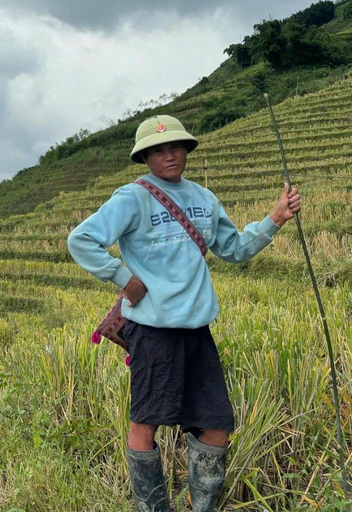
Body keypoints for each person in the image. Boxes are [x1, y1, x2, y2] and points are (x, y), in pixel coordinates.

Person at [66, 115, 301, 512]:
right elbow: (81, 239)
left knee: (217, 424)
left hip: (196, 330)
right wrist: (124, 278)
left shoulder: (203, 198)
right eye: (158, 150)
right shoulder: (132, 197)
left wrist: (275, 218)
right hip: (153, 330)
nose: (169, 155)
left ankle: (202, 506)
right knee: (146, 420)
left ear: (187, 151)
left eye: (175, 147)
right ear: (145, 157)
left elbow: (234, 249)